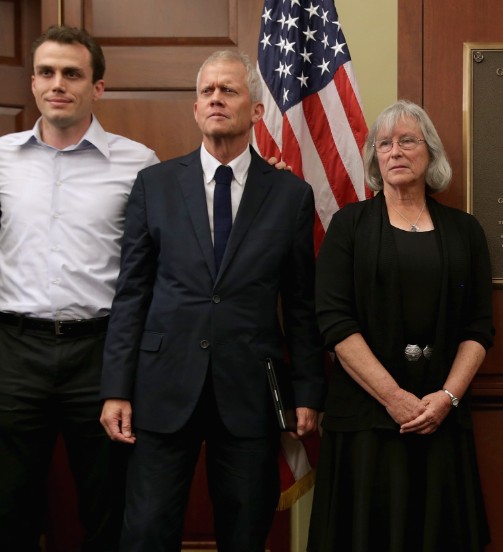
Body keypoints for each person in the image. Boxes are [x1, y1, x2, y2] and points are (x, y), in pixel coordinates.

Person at [99, 50, 323, 551]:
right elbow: (131, 292)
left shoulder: (290, 194)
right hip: (161, 388)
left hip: (250, 389)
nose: (216, 99)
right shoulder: (154, 185)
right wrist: (116, 387)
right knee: (147, 529)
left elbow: (301, 303)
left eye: (229, 90)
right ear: (196, 109)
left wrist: (307, 391)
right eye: (207, 92)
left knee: (245, 531)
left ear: (257, 111)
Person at [308, 99, 493, 551]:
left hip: (439, 416)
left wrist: (447, 397)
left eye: (407, 141)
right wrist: (393, 398)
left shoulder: (464, 231)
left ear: (430, 153)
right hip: (367, 419)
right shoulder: (349, 226)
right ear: (374, 157)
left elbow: (479, 326)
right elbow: (334, 322)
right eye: (384, 143)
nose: (394, 151)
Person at [0, 25, 158, 551]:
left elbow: (177, 248)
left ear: (98, 87)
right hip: (14, 351)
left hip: (103, 353)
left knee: (107, 503)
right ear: (33, 83)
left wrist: (260, 180)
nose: (57, 84)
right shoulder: (1, 159)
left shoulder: (139, 164)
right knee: (10, 504)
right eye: (46, 72)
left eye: (72, 73)